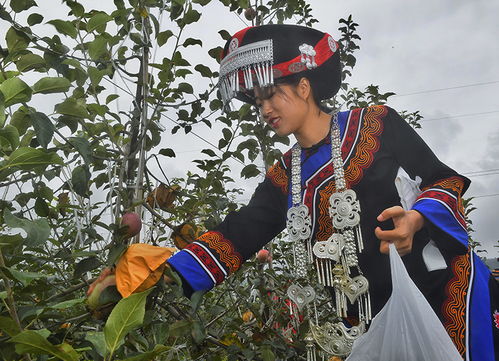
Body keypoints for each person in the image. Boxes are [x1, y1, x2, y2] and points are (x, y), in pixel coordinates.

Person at [88, 24, 498, 360]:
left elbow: (443, 179)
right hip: (368, 322)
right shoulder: (285, 175)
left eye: (271, 94)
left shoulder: (377, 124)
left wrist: (416, 217)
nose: (264, 109)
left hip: (440, 291)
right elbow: (236, 236)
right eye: (257, 101)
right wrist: (155, 278)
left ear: (304, 87)